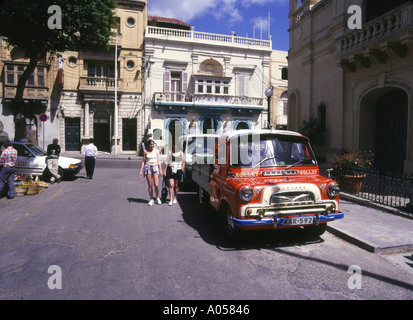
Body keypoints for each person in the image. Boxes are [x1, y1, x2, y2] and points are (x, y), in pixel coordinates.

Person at [139, 140, 163, 206]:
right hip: (148, 168)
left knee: (156, 185)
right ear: (148, 145)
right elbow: (143, 161)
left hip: (155, 167)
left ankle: (157, 197)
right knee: (150, 185)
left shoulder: (156, 151)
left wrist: (160, 170)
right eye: (151, 144)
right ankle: (151, 199)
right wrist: (141, 171)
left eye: (153, 144)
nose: (152, 145)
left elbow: (158, 161)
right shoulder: (145, 151)